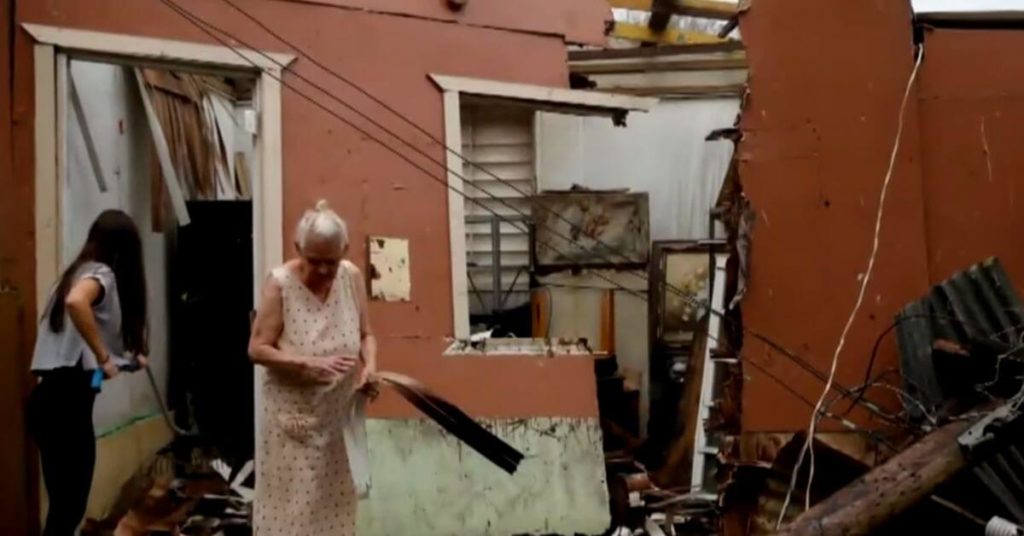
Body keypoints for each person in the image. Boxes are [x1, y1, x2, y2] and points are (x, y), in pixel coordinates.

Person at [249, 199, 377, 535]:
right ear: (298, 249)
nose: (323, 270)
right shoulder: (280, 285)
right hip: (294, 425)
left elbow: (366, 335)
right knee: (293, 515)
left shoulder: (351, 278)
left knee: (334, 513)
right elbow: (257, 349)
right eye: (314, 261)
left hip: (337, 423)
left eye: (331, 262)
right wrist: (307, 362)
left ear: (344, 251)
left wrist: (370, 368)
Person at [27, 209, 150, 536]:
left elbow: (88, 375)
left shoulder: (74, 273)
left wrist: (120, 364)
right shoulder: (101, 275)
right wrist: (103, 357)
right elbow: (76, 303)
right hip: (64, 406)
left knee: (63, 508)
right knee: (69, 508)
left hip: (51, 399)